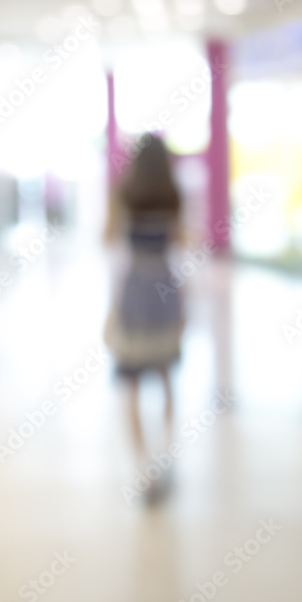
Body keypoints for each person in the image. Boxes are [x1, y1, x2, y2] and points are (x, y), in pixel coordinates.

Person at [104, 134, 183, 505]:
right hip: (164, 286)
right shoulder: (173, 196)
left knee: (131, 379)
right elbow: (184, 240)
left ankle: (144, 467)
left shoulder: (124, 194)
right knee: (166, 375)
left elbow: (107, 237)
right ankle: (166, 455)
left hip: (136, 287)